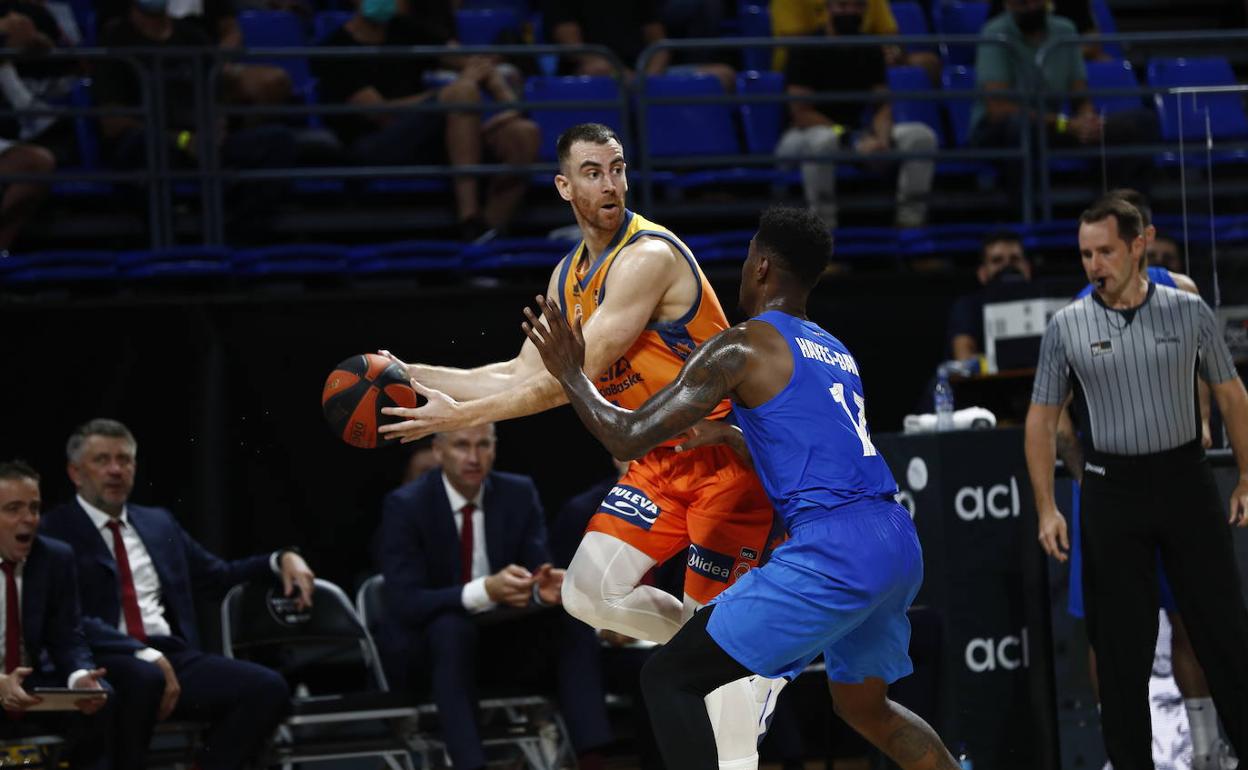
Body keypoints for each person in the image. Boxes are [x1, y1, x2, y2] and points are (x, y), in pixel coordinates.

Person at [378, 122, 780, 770]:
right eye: (593, 172)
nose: (611, 183)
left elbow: (572, 380)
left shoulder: (648, 256)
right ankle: (736, 644)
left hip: (726, 457)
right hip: (658, 459)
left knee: (729, 741)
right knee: (586, 592)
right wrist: (410, 374)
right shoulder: (569, 274)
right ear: (564, 185)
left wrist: (452, 417)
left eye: (618, 168)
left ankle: (736, 654)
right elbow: (518, 374)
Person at [518, 204, 956, 770]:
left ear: (763, 267)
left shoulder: (740, 345)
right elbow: (813, 453)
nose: (745, 264)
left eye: (750, 253)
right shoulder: (833, 349)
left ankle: (752, 672)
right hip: (894, 537)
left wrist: (570, 372)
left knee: (669, 678)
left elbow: (625, 438)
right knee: (867, 709)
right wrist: (728, 433)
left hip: (833, 548)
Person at [1026, 197, 1248, 770]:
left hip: (1185, 483)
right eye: (1084, 254)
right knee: (1121, 652)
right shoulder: (1066, 325)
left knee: (1223, 636)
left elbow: (1232, 393)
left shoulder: (1187, 309)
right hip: (1110, 490)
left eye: (1104, 251)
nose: (1094, 264)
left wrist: (1247, 476)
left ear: (1137, 245)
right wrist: (1047, 506)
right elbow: (1041, 417)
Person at [40, 418, 316, 770]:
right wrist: (142, 654)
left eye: (124, 460)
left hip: (172, 656)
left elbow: (217, 576)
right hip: (104, 658)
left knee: (267, 688)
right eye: (102, 460)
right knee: (142, 679)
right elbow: (66, 618)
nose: (115, 470)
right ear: (76, 472)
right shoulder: (54, 531)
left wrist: (280, 559)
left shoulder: (158, 523)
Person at [377, 423, 612, 770]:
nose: (473, 457)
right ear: (439, 451)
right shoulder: (406, 505)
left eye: (483, 445)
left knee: (567, 617)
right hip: (429, 655)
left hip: (499, 645)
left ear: (495, 448)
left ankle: (594, 758)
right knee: (451, 628)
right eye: (461, 446)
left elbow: (535, 566)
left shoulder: (517, 492)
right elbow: (405, 602)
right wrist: (483, 590)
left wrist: (541, 588)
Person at [313, 0, 539, 242]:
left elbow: (473, 63)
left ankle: (487, 238)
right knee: (461, 93)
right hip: (373, 144)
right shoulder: (335, 47)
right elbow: (377, 112)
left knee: (523, 133)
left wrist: (505, 100)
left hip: (427, 138)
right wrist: (444, 96)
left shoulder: (408, 30)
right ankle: (469, 218)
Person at [93, 0, 297, 235]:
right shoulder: (115, 40)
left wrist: (218, 126)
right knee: (138, 146)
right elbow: (113, 122)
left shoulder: (193, 36)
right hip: (158, 143)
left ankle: (238, 233)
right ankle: (163, 238)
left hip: (203, 141)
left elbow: (219, 93)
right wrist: (182, 139)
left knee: (278, 141)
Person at [969, 0, 1159, 200]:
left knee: (1141, 122)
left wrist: (1087, 121)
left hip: (1054, 126)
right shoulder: (994, 33)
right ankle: (1026, 217)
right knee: (1020, 127)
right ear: (1008, 4)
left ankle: (1122, 215)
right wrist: (1066, 124)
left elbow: (1080, 95)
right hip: (999, 131)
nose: (1030, 7)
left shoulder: (1065, 30)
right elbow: (999, 109)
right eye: (1023, 3)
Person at [776, 0, 937, 230]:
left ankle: (911, 226)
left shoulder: (869, 46)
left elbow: (882, 105)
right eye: (843, 6)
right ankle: (823, 235)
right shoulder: (806, 47)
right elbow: (802, 114)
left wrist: (881, 138)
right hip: (803, 137)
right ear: (829, 8)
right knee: (824, 141)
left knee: (921, 136)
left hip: (856, 134)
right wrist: (851, 138)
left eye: (857, 6)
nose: (850, 11)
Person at [0, 460, 111, 770]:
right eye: (14, 509)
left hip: (31, 688)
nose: (30, 519)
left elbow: (67, 636)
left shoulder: (54, 557)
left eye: (34, 508)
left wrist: (80, 676)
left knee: (100, 703)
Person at [946, 229, 1033, 361]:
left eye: (1015, 259)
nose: (1007, 266)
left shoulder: (1042, 302)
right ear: (982, 273)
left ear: (1027, 269)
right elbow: (964, 357)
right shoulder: (968, 306)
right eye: (997, 260)